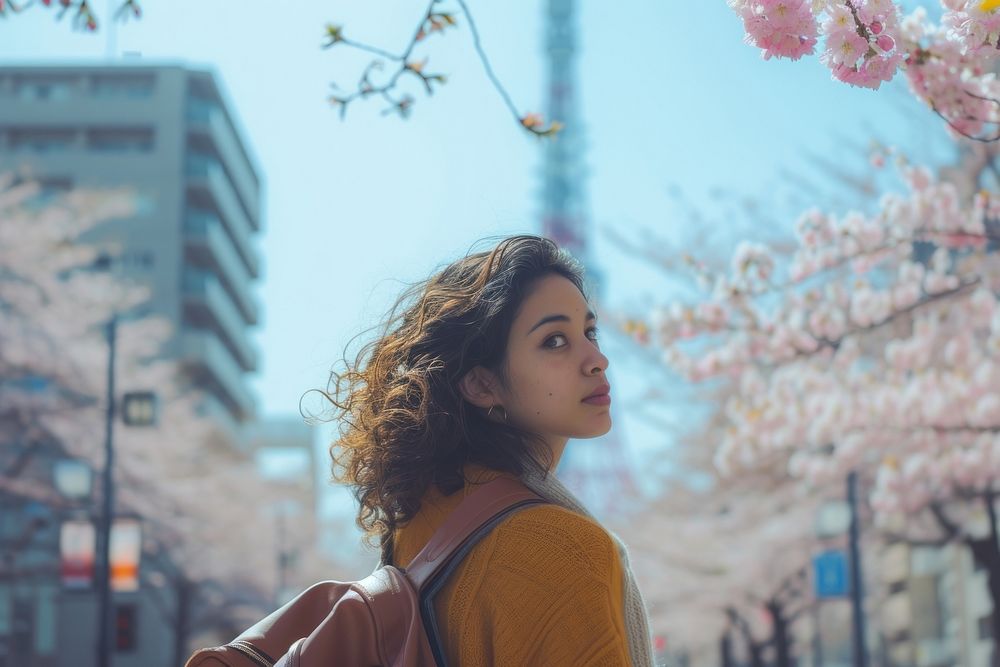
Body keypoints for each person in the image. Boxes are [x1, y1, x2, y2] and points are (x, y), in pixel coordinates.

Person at [315, 234, 654, 666]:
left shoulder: (418, 530)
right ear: (480, 383)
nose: (596, 359)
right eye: (554, 340)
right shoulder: (563, 550)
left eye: (590, 332)